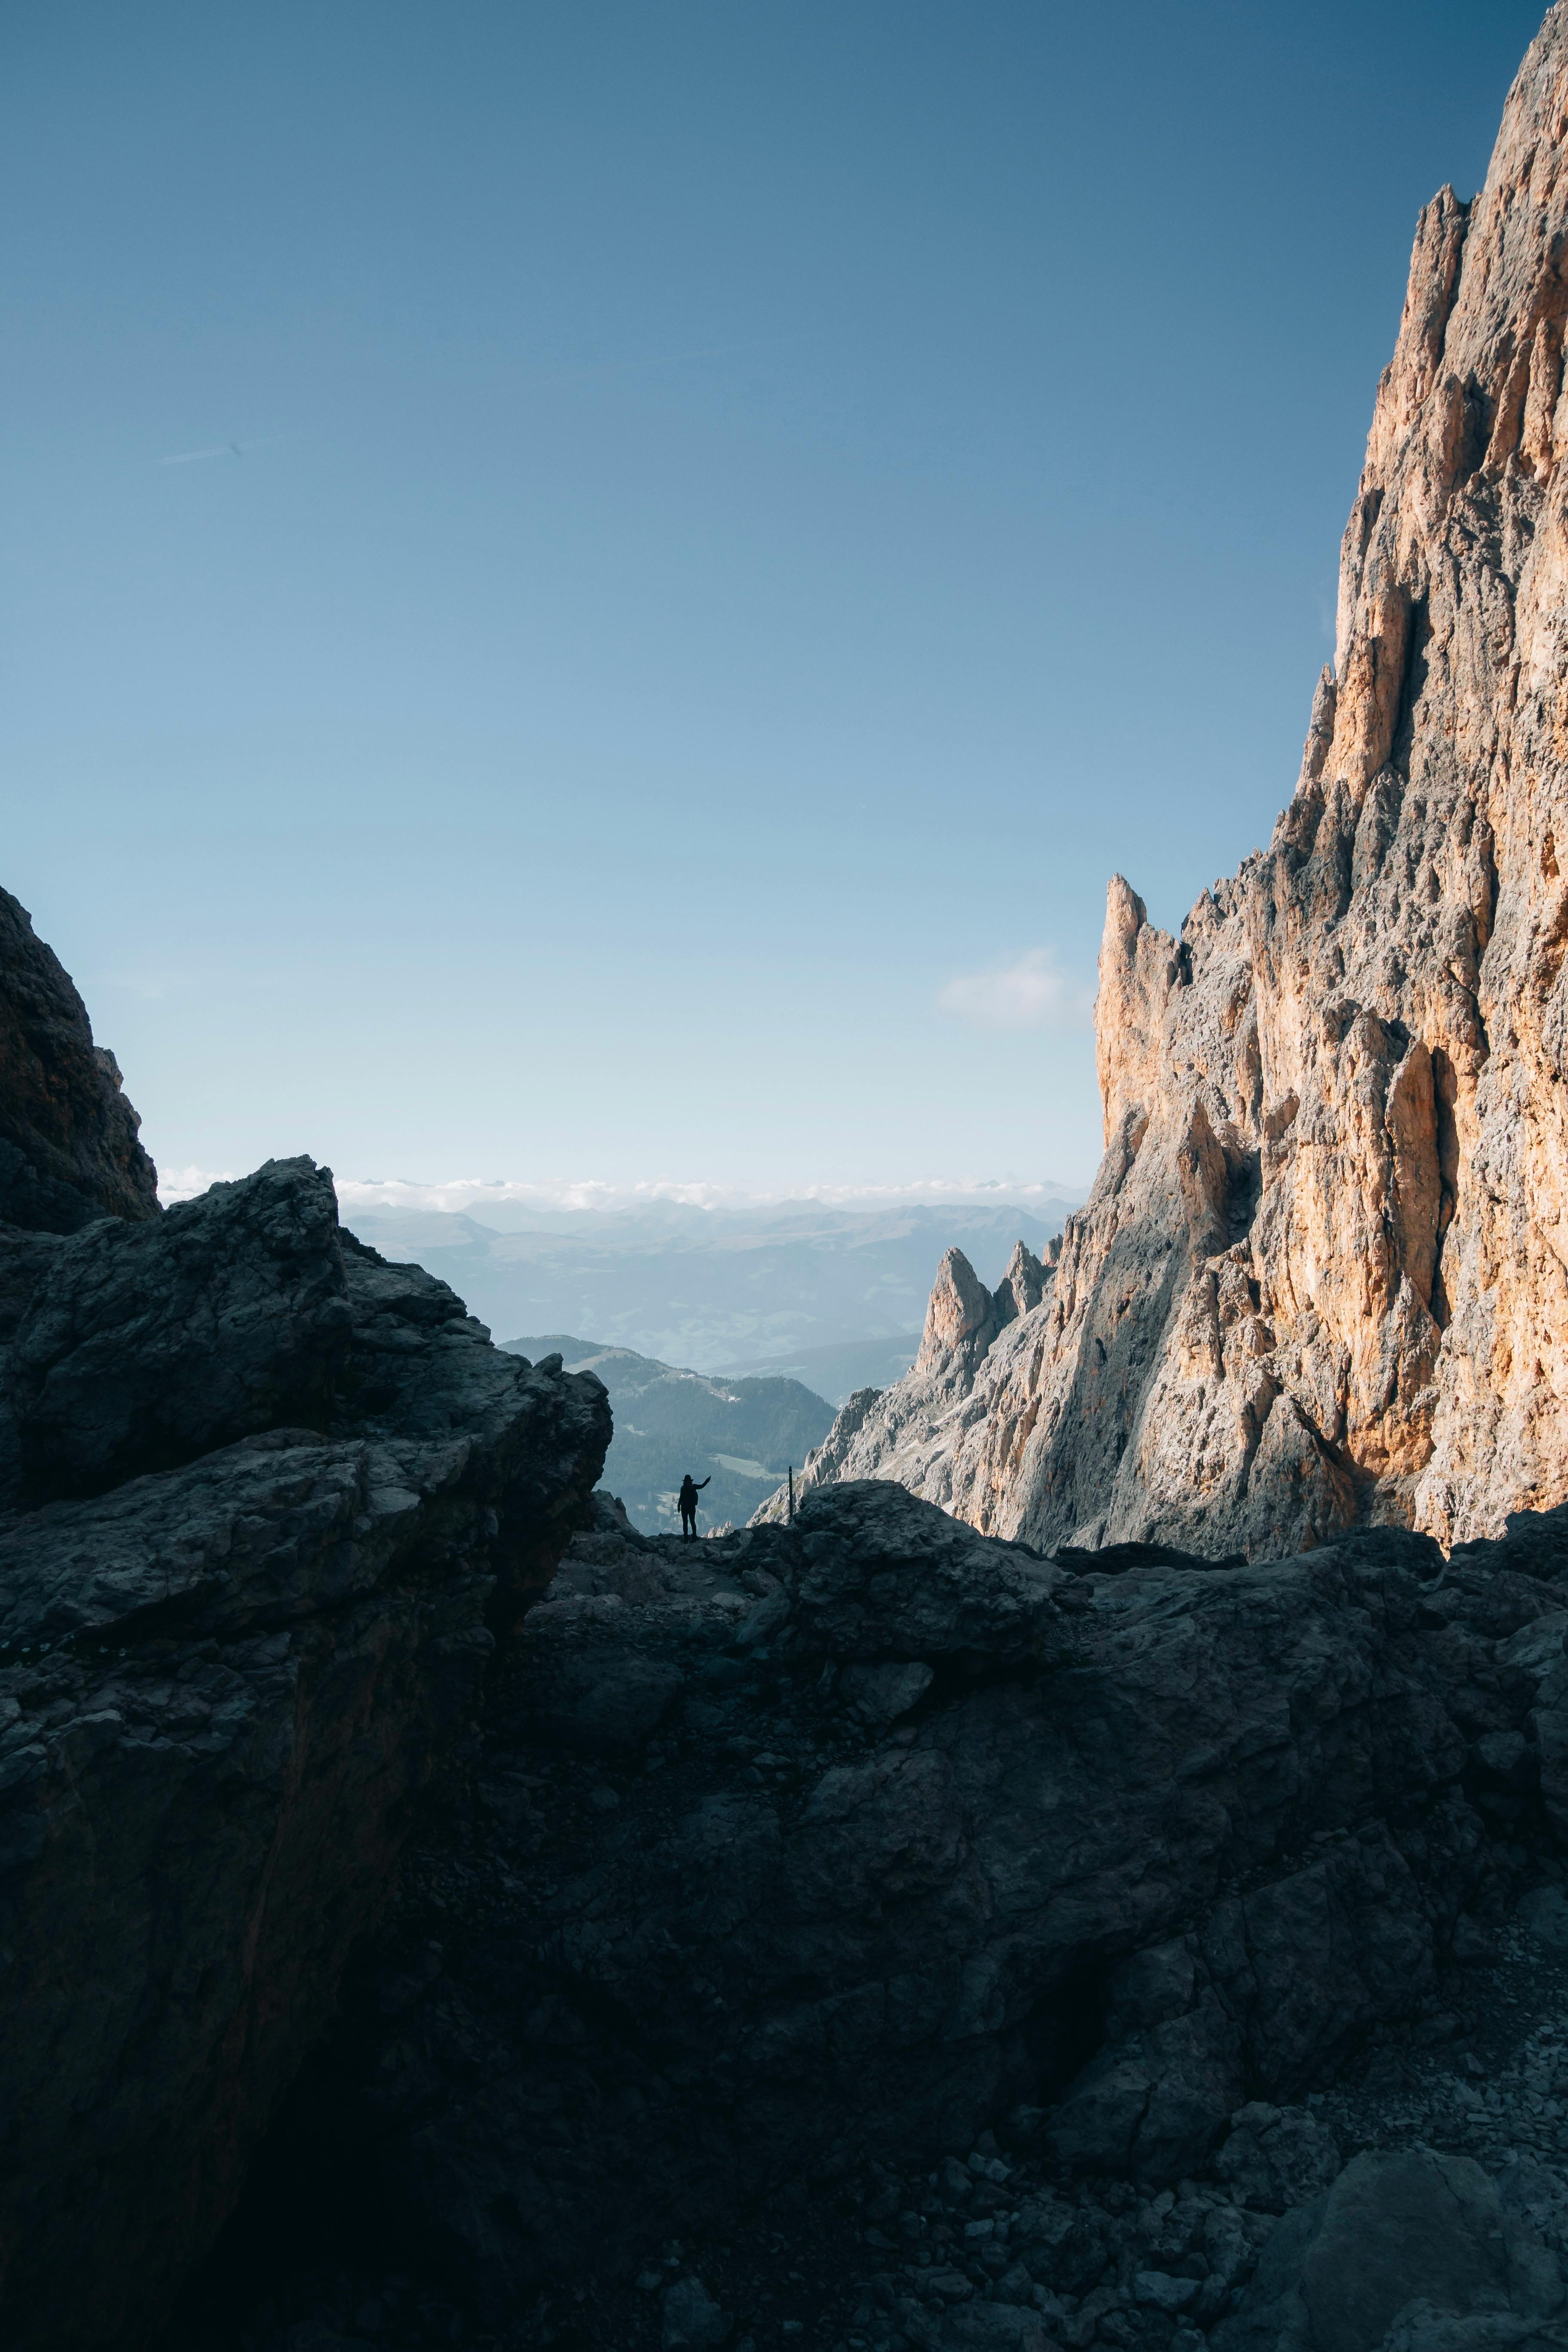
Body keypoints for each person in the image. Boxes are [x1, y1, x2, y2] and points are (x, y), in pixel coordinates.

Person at [677, 1472, 710, 1540]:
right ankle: (687, 1538)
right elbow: (681, 1497)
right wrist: (678, 1505)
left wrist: (707, 1481)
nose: (687, 1483)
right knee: (686, 1523)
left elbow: (702, 1486)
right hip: (686, 1507)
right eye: (687, 1481)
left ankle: (693, 1536)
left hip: (688, 1507)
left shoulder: (685, 1488)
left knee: (692, 1522)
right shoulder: (690, 1488)